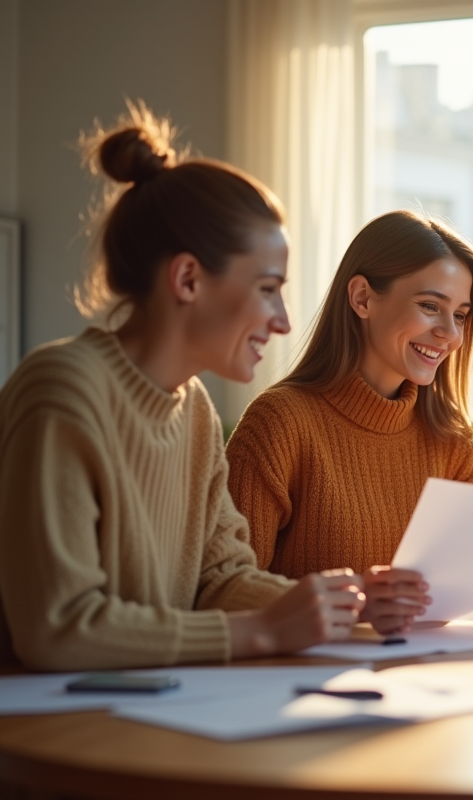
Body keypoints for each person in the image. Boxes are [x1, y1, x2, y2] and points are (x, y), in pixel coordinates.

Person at [0, 103, 366, 672]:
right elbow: (58, 628)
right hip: (50, 740)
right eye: (269, 289)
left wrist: (345, 612)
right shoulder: (64, 391)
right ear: (188, 278)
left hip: (146, 712)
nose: (284, 320)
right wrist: (263, 631)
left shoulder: (192, 406)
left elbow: (219, 578)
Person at [226, 211, 473, 636]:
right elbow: (226, 589)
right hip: (306, 684)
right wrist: (357, 601)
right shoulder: (279, 424)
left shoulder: (453, 440)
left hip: (422, 679)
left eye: (460, 315)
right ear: (362, 298)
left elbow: (464, 598)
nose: (450, 334)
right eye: (430, 306)